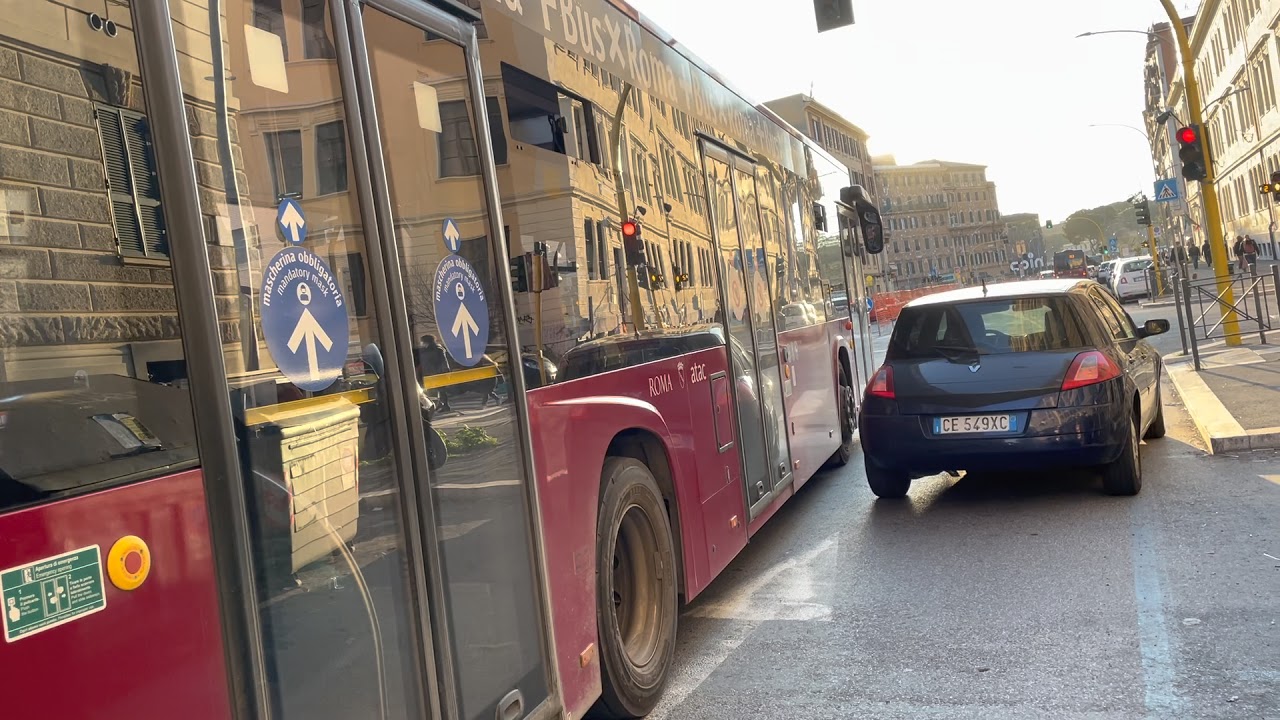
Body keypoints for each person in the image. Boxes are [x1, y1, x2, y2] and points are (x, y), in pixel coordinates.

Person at [415, 334, 452, 411]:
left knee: (441, 390)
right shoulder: (424, 350)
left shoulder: (437, 349)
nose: (421, 343)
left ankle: (444, 405)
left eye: (422, 341)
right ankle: (438, 404)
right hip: (428, 373)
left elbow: (443, 361)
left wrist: (446, 371)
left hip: (437, 372)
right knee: (432, 390)